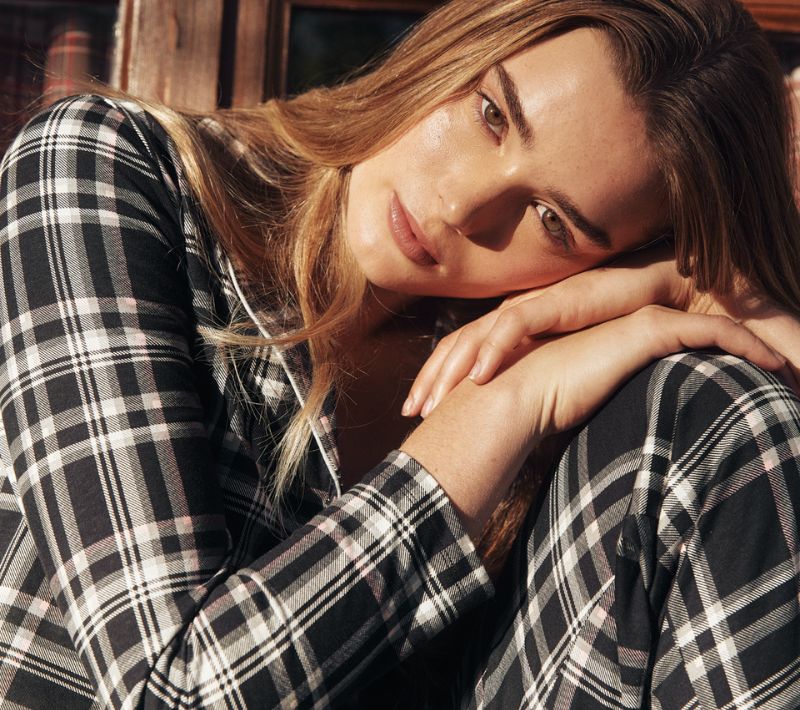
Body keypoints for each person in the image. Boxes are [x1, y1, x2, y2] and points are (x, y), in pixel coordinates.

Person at [0, 0, 798, 707]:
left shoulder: (568, 399)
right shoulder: (107, 167)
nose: (463, 205)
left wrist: (708, 292)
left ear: (607, 261)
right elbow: (166, 690)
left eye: (553, 220)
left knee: (730, 411)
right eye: (492, 113)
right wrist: (504, 406)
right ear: (459, 40)